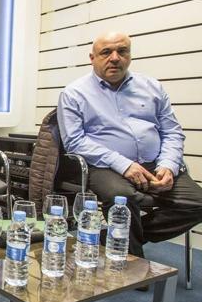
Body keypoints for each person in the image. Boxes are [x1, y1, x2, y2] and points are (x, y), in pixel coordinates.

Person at [58, 31, 202, 260]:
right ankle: (131, 257)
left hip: (156, 164)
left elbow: (172, 131)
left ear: (130, 55)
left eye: (122, 51)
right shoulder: (74, 93)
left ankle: (122, 240)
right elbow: (75, 142)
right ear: (92, 57)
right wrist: (124, 164)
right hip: (106, 166)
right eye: (106, 52)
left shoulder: (152, 87)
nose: (115, 58)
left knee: (197, 203)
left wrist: (168, 165)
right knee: (121, 197)